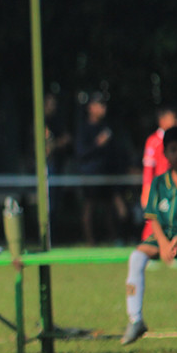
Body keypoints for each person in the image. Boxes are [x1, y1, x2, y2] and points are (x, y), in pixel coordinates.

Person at [121, 124, 177, 345]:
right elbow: (152, 217)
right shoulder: (159, 182)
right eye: (173, 150)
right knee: (136, 257)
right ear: (165, 153)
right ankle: (135, 319)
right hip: (164, 234)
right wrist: (163, 243)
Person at [75, 91, 126, 245]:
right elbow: (81, 153)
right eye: (99, 105)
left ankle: (114, 239)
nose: (103, 108)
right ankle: (90, 241)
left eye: (104, 105)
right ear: (90, 107)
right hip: (90, 175)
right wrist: (97, 144)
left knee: (109, 207)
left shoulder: (107, 127)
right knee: (89, 207)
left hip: (107, 174)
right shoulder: (84, 128)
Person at [139, 105, 177, 241]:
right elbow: (148, 168)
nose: (175, 122)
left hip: (175, 186)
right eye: (172, 119)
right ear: (162, 121)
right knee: (154, 218)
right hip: (160, 188)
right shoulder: (154, 141)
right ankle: (147, 244)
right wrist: (147, 189)